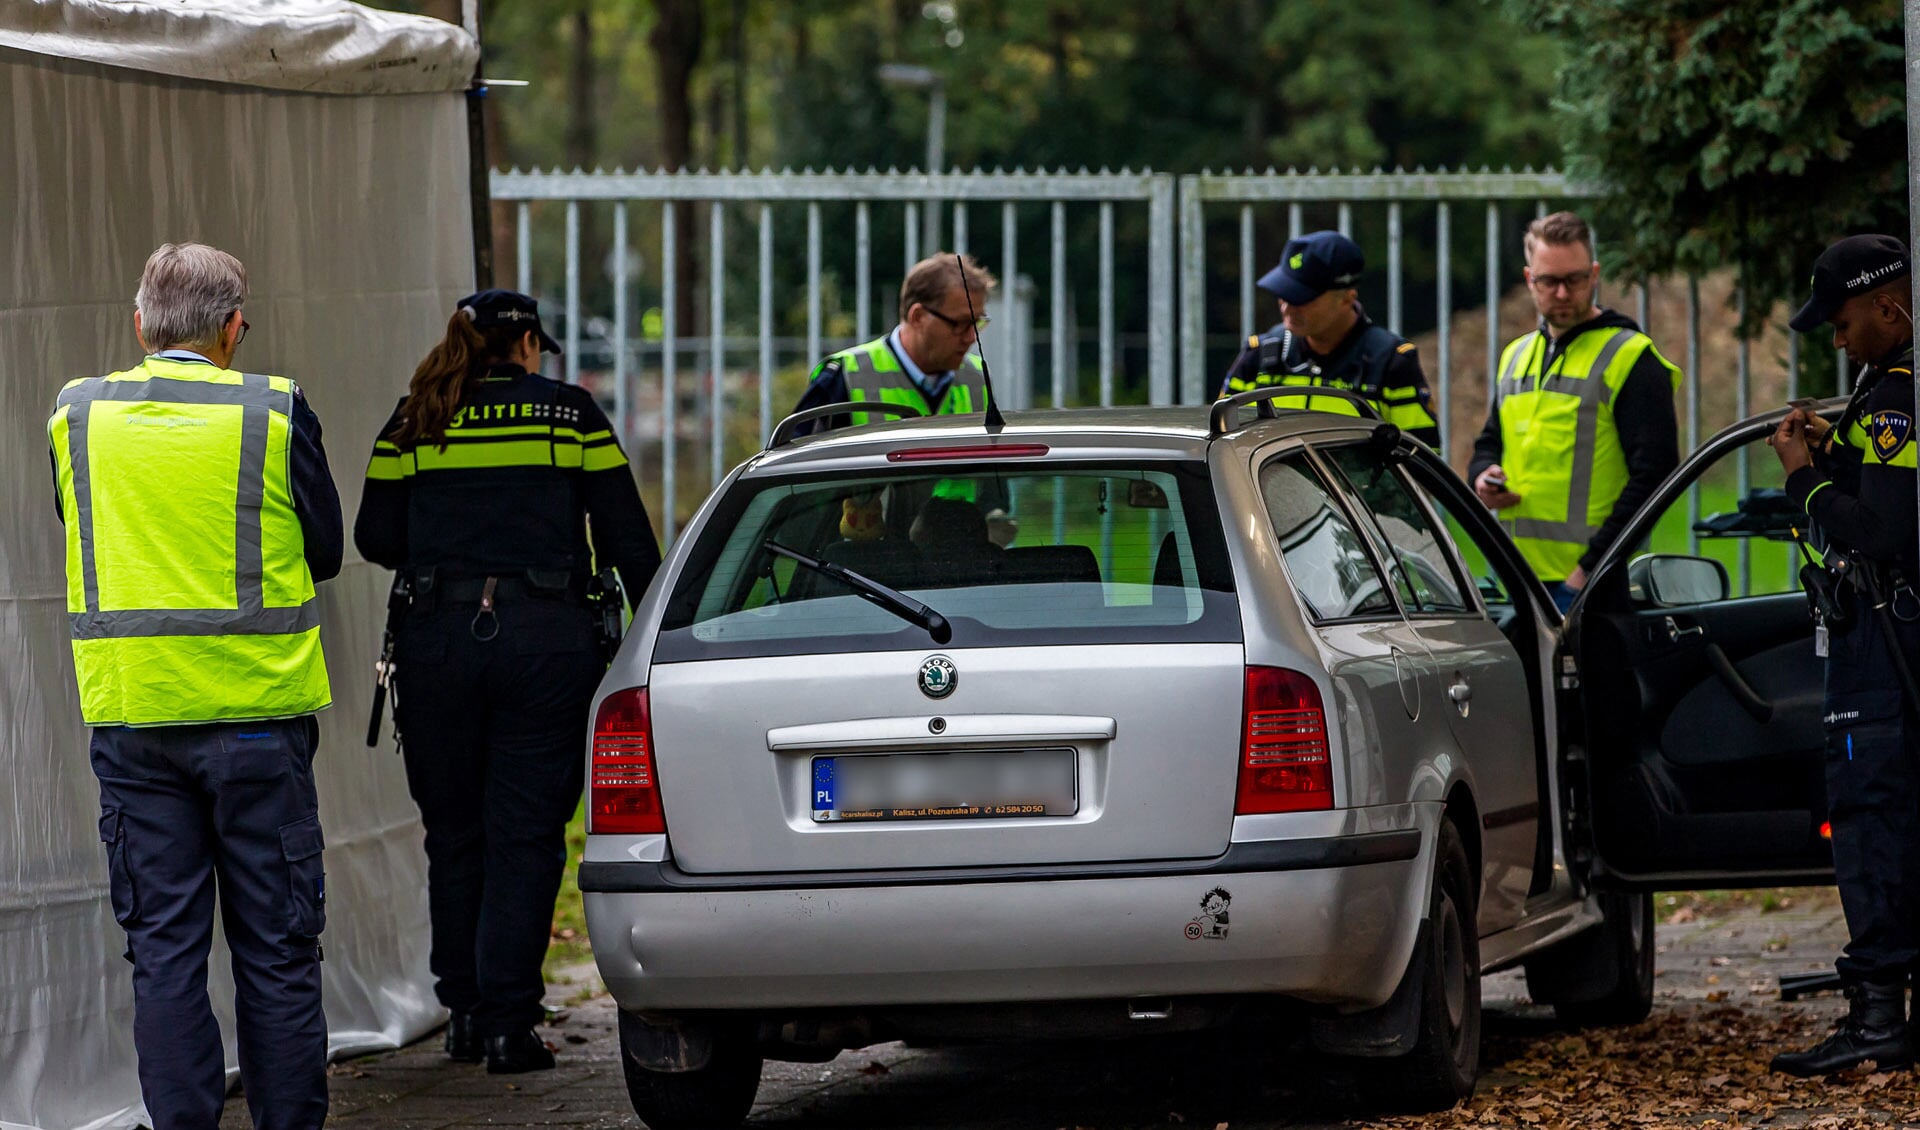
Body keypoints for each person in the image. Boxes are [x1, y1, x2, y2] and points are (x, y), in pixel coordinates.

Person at [47, 242, 342, 1129]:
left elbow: (77, 521)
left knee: (165, 955)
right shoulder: (274, 410)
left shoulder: (76, 415)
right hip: (258, 724)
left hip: (135, 725)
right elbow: (327, 552)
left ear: (140, 324)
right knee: (277, 952)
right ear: (234, 329)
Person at [353, 290, 662, 1074]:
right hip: (546, 643)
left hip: (437, 644)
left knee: (454, 832)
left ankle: (461, 1012)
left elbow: (375, 536)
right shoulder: (571, 416)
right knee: (524, 834)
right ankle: (508, 1025)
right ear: (525, 343)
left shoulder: (414, 416)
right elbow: (628, 538)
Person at [1767, 234, 1920, 1077]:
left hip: (1884, 649)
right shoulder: (1883, 396)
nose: (1835, 338)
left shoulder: (1897, 397)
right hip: (1894, 642)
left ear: (1889, 310)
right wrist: (1835, 451)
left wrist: (1802, 477)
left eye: (1845, 320)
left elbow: (1885, 532)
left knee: (1870, 822)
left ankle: (1875, 1022)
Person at [1467, 211, 1681, 612]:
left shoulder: (1631, 357)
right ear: (1530, 279)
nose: (1563, 293)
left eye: (1575, 279)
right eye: (1550, 281)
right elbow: (1489, 443)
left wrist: (1590, 569)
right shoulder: (1515, 356)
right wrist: (1483, 477)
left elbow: (1655, 475)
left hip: (1591, 585)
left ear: (1595, 274)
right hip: (1514, 579)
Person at [1218, 230, 1441, 447]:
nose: (1287, 308)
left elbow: (1421, 458)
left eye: (1300, 298)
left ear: (1347, 298)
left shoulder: (1389, 362)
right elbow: (1221, 440)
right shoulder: (1259, 355)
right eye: (1283, 294)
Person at [790, 252, 997, 435]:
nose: (971, 337)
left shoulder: (977, 378)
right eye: (960, 324)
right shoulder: (844, 377)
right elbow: (793, 467)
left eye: (977, 323)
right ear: (918, 317)